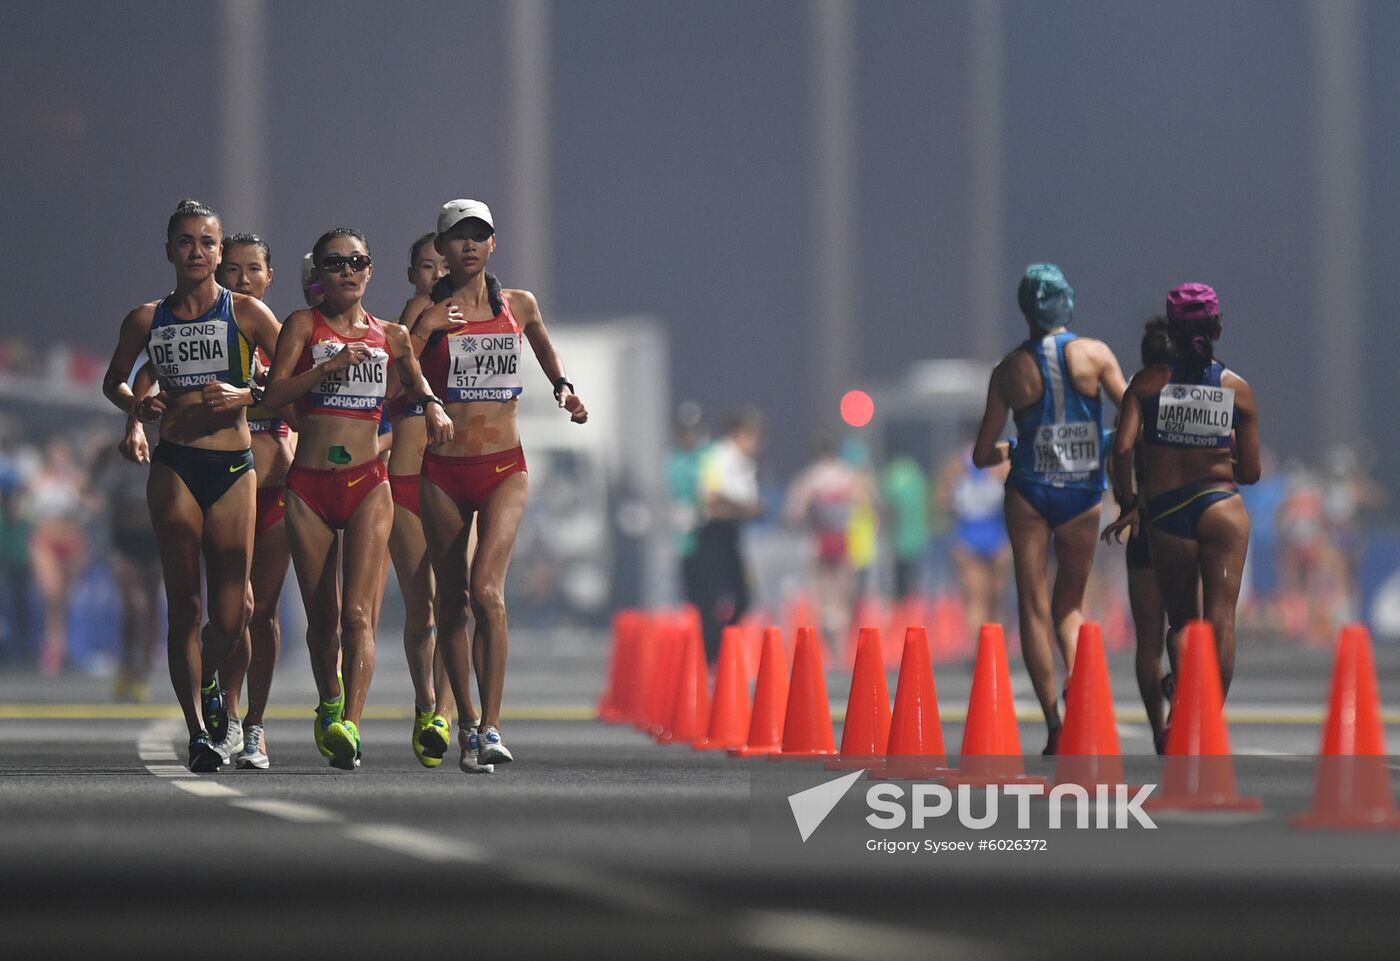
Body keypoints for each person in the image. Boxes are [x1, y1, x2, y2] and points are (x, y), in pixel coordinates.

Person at [102, 199, 281, 771]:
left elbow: (288, 381)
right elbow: (114, 381)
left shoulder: (247, 313)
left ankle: (211, 687)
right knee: (185, 605)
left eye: (207, 243)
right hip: (175, 465)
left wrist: (248, 395)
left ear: (219, 250)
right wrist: (138, 404)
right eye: (185, 242)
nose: (196, 252)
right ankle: (199, 732)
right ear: (170, 251)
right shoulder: (146, 319)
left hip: (232, 468)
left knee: (232, 617)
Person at [265, 227, 452, 771]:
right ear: (319, 275)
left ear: (370, 271)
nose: (347, 270)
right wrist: (324, 369)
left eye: (358, 261)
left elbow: (416, 387)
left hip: (369, 482)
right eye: (335, 262)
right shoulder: (304, 325)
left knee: (358, 615)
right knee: (322, 619)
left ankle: (350, 722)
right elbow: (274, 396)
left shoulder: (391, 335)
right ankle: (328, 703)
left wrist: (434, 408)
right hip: (310, 485)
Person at [411, 198, 587, 771]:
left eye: (478, 235)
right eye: (458, 237)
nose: (468, 245)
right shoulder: (423, 309)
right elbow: (395, 380)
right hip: (443, 469)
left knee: (489, 592)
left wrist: (561, 385)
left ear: (493, 244)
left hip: (504, 466)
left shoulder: (519, 304)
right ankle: (463, 721)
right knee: (455, 602)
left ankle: (491, 726)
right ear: (442, 248)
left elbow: (538, 340)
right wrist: (427, 331)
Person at [971, 264, 1126, 755]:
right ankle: (1081, 698)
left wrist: (1017, 450)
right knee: (1070, 606)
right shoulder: (1095, 354)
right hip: (1083, 493)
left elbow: (980, 455)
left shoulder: (1007, 370)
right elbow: (1134, 416)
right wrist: (1102, 443)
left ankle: (1056, 724)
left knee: (1033, 607)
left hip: (1029, 493)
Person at [1105, 283, 1260, 718]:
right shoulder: (1238, 390)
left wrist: (1128, 500)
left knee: (1184, 625)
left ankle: (1180, 716)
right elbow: (1250, 473)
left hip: (1168, 511)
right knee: (1222, 622)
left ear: (1171, 332)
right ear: (1218, 329)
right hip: (1221, 507)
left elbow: (1121, 449)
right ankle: (1203, 720)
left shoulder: (1148, 384)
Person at [215, 233, 293, 769]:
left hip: (279, 491)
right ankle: (222, 709)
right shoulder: (209, 332)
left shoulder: (285, 337)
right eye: (232, 270)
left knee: (261, 611)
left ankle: (254, 727)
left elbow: (311, 395)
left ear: (271, 277)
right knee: (230, 609)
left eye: (252, 270)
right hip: (222, 485)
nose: (242, 280)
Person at [389, 230, 466, 768]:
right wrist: (425, 327)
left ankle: (443, 711)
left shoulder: (474, 318)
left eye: (444, 267)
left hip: (460, 475)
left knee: (458, 600)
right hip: (408, 481)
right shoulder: (409, 322)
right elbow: (389, 394)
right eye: (426, 267)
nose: (437, 275)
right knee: (423, 607)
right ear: (412, 275)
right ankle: (426, 704)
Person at [1104, 316, 1176, 752]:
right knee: (1188, 628)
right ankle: (1183, 708)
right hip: (1189, 520)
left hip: (1147, 526)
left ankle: (1158, 732)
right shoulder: (1198, 394)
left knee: (1148, 642)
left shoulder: (1136, 395)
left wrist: (1127, 502)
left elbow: (1121, 450)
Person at [93, 433, 162, 702]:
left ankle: (141, 673)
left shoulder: (162, 450)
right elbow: (95, 486)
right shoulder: (115, 451)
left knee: (151, 608)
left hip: (154, 539)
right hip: (123, 540)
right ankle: (125, 664)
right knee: (135, 606)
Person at [695, 407, 764, 663]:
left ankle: (721, 650)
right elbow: (711, 500)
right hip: (714, 535)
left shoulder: (745, 464)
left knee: (742, 598)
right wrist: (743, 508)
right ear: (738, 434)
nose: (757, 444)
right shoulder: (720, 458)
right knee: (716, 600)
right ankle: (710, 655)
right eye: (753, 436)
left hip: (732, 533)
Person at [784, 436, 859, 648]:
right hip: (843, 536)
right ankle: (839, 629)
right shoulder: (847, 473)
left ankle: (829, 623)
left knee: (824, 587)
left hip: (820, 537)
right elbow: (862, 503)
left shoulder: (811, 476)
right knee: (842, 587)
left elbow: (795, 511)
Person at [25, 440, 89, 676]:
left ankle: (60, 645)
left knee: (65, 597)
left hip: (71, 538)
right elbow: (25, 508)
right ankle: (51, 644)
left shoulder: (76, 480)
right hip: (46, 539)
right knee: (52, 593)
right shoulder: (38, 480)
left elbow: (91, 506)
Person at [937, 436, 1011, 636]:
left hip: (971, 537)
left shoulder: (956, 466)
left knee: (979, 599)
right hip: (993, 537)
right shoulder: (1001, 465)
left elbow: (942, 503)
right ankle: (991, 651)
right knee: (993, 599)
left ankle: (982, 652)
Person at [666, 401, 709, 612]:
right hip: (685, 539)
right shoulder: (673, 461)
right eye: (685, 430)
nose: (690, 434)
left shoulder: (709, 456)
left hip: (710, 535)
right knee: (692, 592)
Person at [881, 445, 930, 604]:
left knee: (898, 582)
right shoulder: (916, 473)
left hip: (898, 538)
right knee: (915, 581)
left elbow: (888, 506)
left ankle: (900, 611)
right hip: (917, 536)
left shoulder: (892, 474)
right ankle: (914, 609)